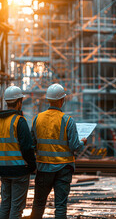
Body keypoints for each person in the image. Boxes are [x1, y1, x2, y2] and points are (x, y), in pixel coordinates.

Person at [30, 83, 87, 219]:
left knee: (38, 204)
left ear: (48, 100)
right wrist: (83, 142)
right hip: (64, 169)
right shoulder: (68, 121)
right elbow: (75, 146)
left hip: (43, 168)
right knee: (60, 206)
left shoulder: (37, 119)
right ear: (62, 100)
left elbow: (32, 144)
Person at [0, 85, 36, 219]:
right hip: (19, 170)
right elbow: (27, 147)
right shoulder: (19, 121)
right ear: (19, 102)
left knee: (5, 205)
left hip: (3, 170)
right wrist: (32, 165)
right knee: (16, 208)